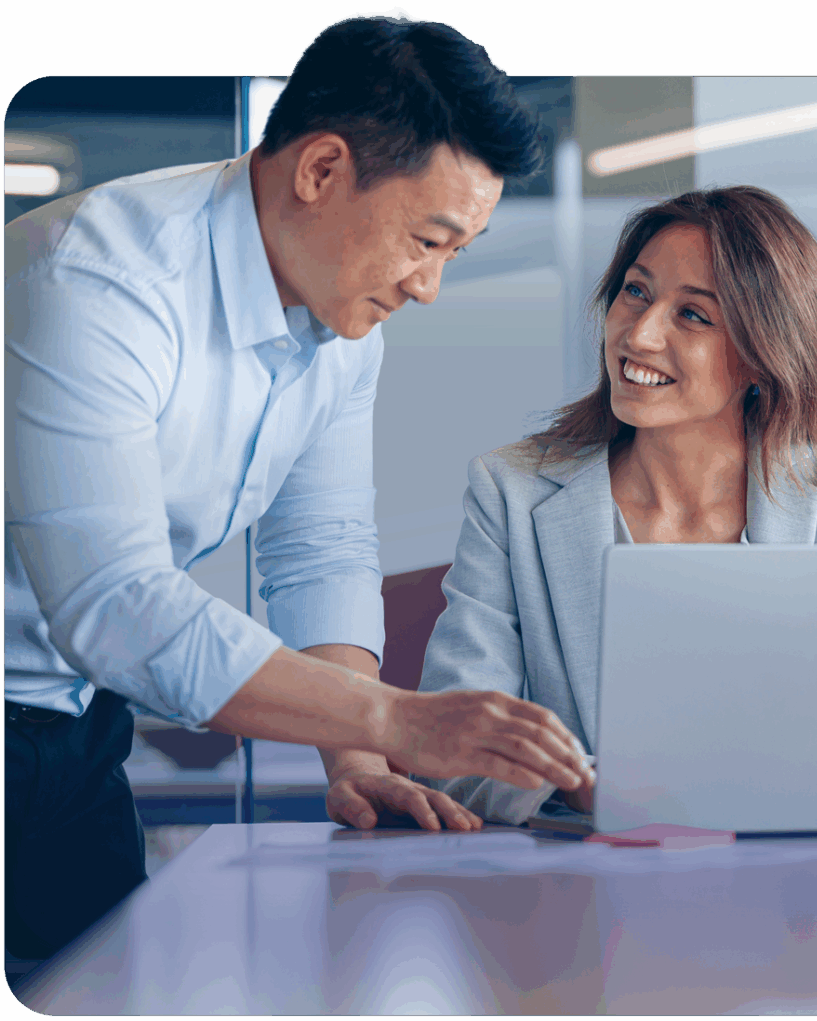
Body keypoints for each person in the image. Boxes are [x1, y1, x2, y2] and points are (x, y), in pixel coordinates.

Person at [4, 15, 590, 963]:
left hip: (77, 729)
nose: (429, 286)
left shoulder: (340, 323)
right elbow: (110, 601)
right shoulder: (93, 278)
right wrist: (397, 719)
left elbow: (319, 546)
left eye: (456, 253)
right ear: (321, 170)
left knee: (96, 987)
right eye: (426, 239)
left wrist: (357, 761)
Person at [414, 185, 817, 824]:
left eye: (693, 315)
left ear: (761, 355)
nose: (639, 334)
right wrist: (581, 789)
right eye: (635, 291)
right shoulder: (511, 490)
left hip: (810, 899)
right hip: (597, 893)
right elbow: (449, 746)